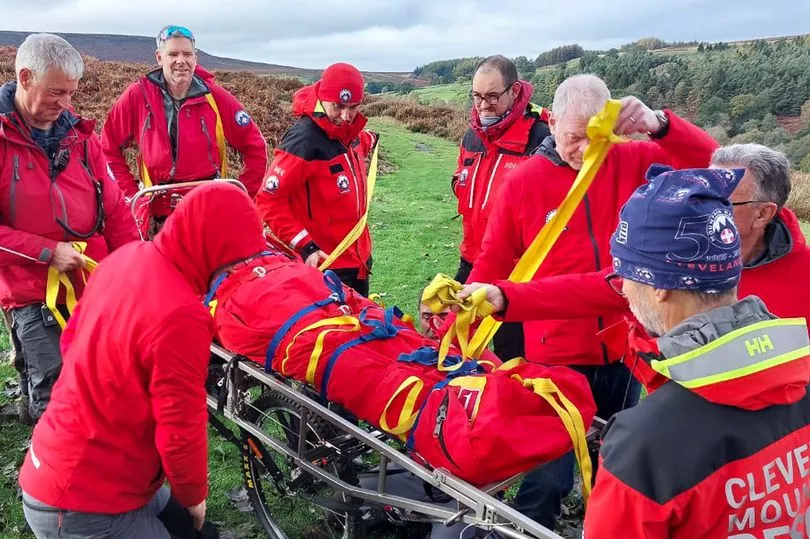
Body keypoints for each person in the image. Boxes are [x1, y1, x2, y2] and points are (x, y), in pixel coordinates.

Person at [464, 73, 718, 529]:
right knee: (549, 474)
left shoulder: (634, 160)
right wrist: (464, 311)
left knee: (618, 465)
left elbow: (712, 165)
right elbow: (494, 260)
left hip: (625, 348)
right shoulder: (523, 183)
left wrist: (661, 125)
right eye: (573, 138)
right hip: (555, 355)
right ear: (552, 120)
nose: (585, 150)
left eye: (596, 136)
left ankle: (602, 526)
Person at [18, 182, 260, 538]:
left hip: (76, 463)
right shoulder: (182, 314)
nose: (237, 271)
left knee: (197, 533)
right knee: (189, 522)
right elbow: (181, 423)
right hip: (80, 500)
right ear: (215, 251)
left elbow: (71, 341)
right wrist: (193, 497)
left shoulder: (127, 257)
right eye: (236, 260)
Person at [581, 166, 810, 537]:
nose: (622, 289)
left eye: (625, 273)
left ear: (658, 286)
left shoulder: (645, 446)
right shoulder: (801, 374)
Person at [0, 33, 138, 423]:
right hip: (31, 287)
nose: (66, 105)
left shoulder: (79, 136)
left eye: (71, 94)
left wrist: (132, 265)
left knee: (101, 374)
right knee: (54, 387)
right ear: (25, 78)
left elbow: (113, 206)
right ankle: (52, 471)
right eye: (56, 93)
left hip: (92, 279)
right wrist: (47, 252)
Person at [101, 24, 268, 238]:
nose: (181, 61)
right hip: (156, 212)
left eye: (187, 54)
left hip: (209, 208)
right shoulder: (138, 96)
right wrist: (132, 196)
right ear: (159, 57)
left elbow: (255, 146)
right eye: (173, 54)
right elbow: (107, 147)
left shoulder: (214, 97)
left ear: (195, 58)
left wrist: (242, 193)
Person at [451, 55, 550, 361]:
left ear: (515, 91)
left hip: (517, 274)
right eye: (477, 96)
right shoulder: (473, 135)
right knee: (457, 343)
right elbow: (463, 184)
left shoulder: (541, 139)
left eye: (492, 97)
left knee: (513, 357)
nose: (483, 106)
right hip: (472, 259)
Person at [255, 62, 378, 296]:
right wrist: (305, 246)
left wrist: (370, 139)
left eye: (353, 108)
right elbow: (268, 201)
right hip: (325, 265)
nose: (345, 116)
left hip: (357, 260)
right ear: (323, 98)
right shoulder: (303, 141)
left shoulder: (349, 133)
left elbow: (354, 144)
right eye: (338, 106)